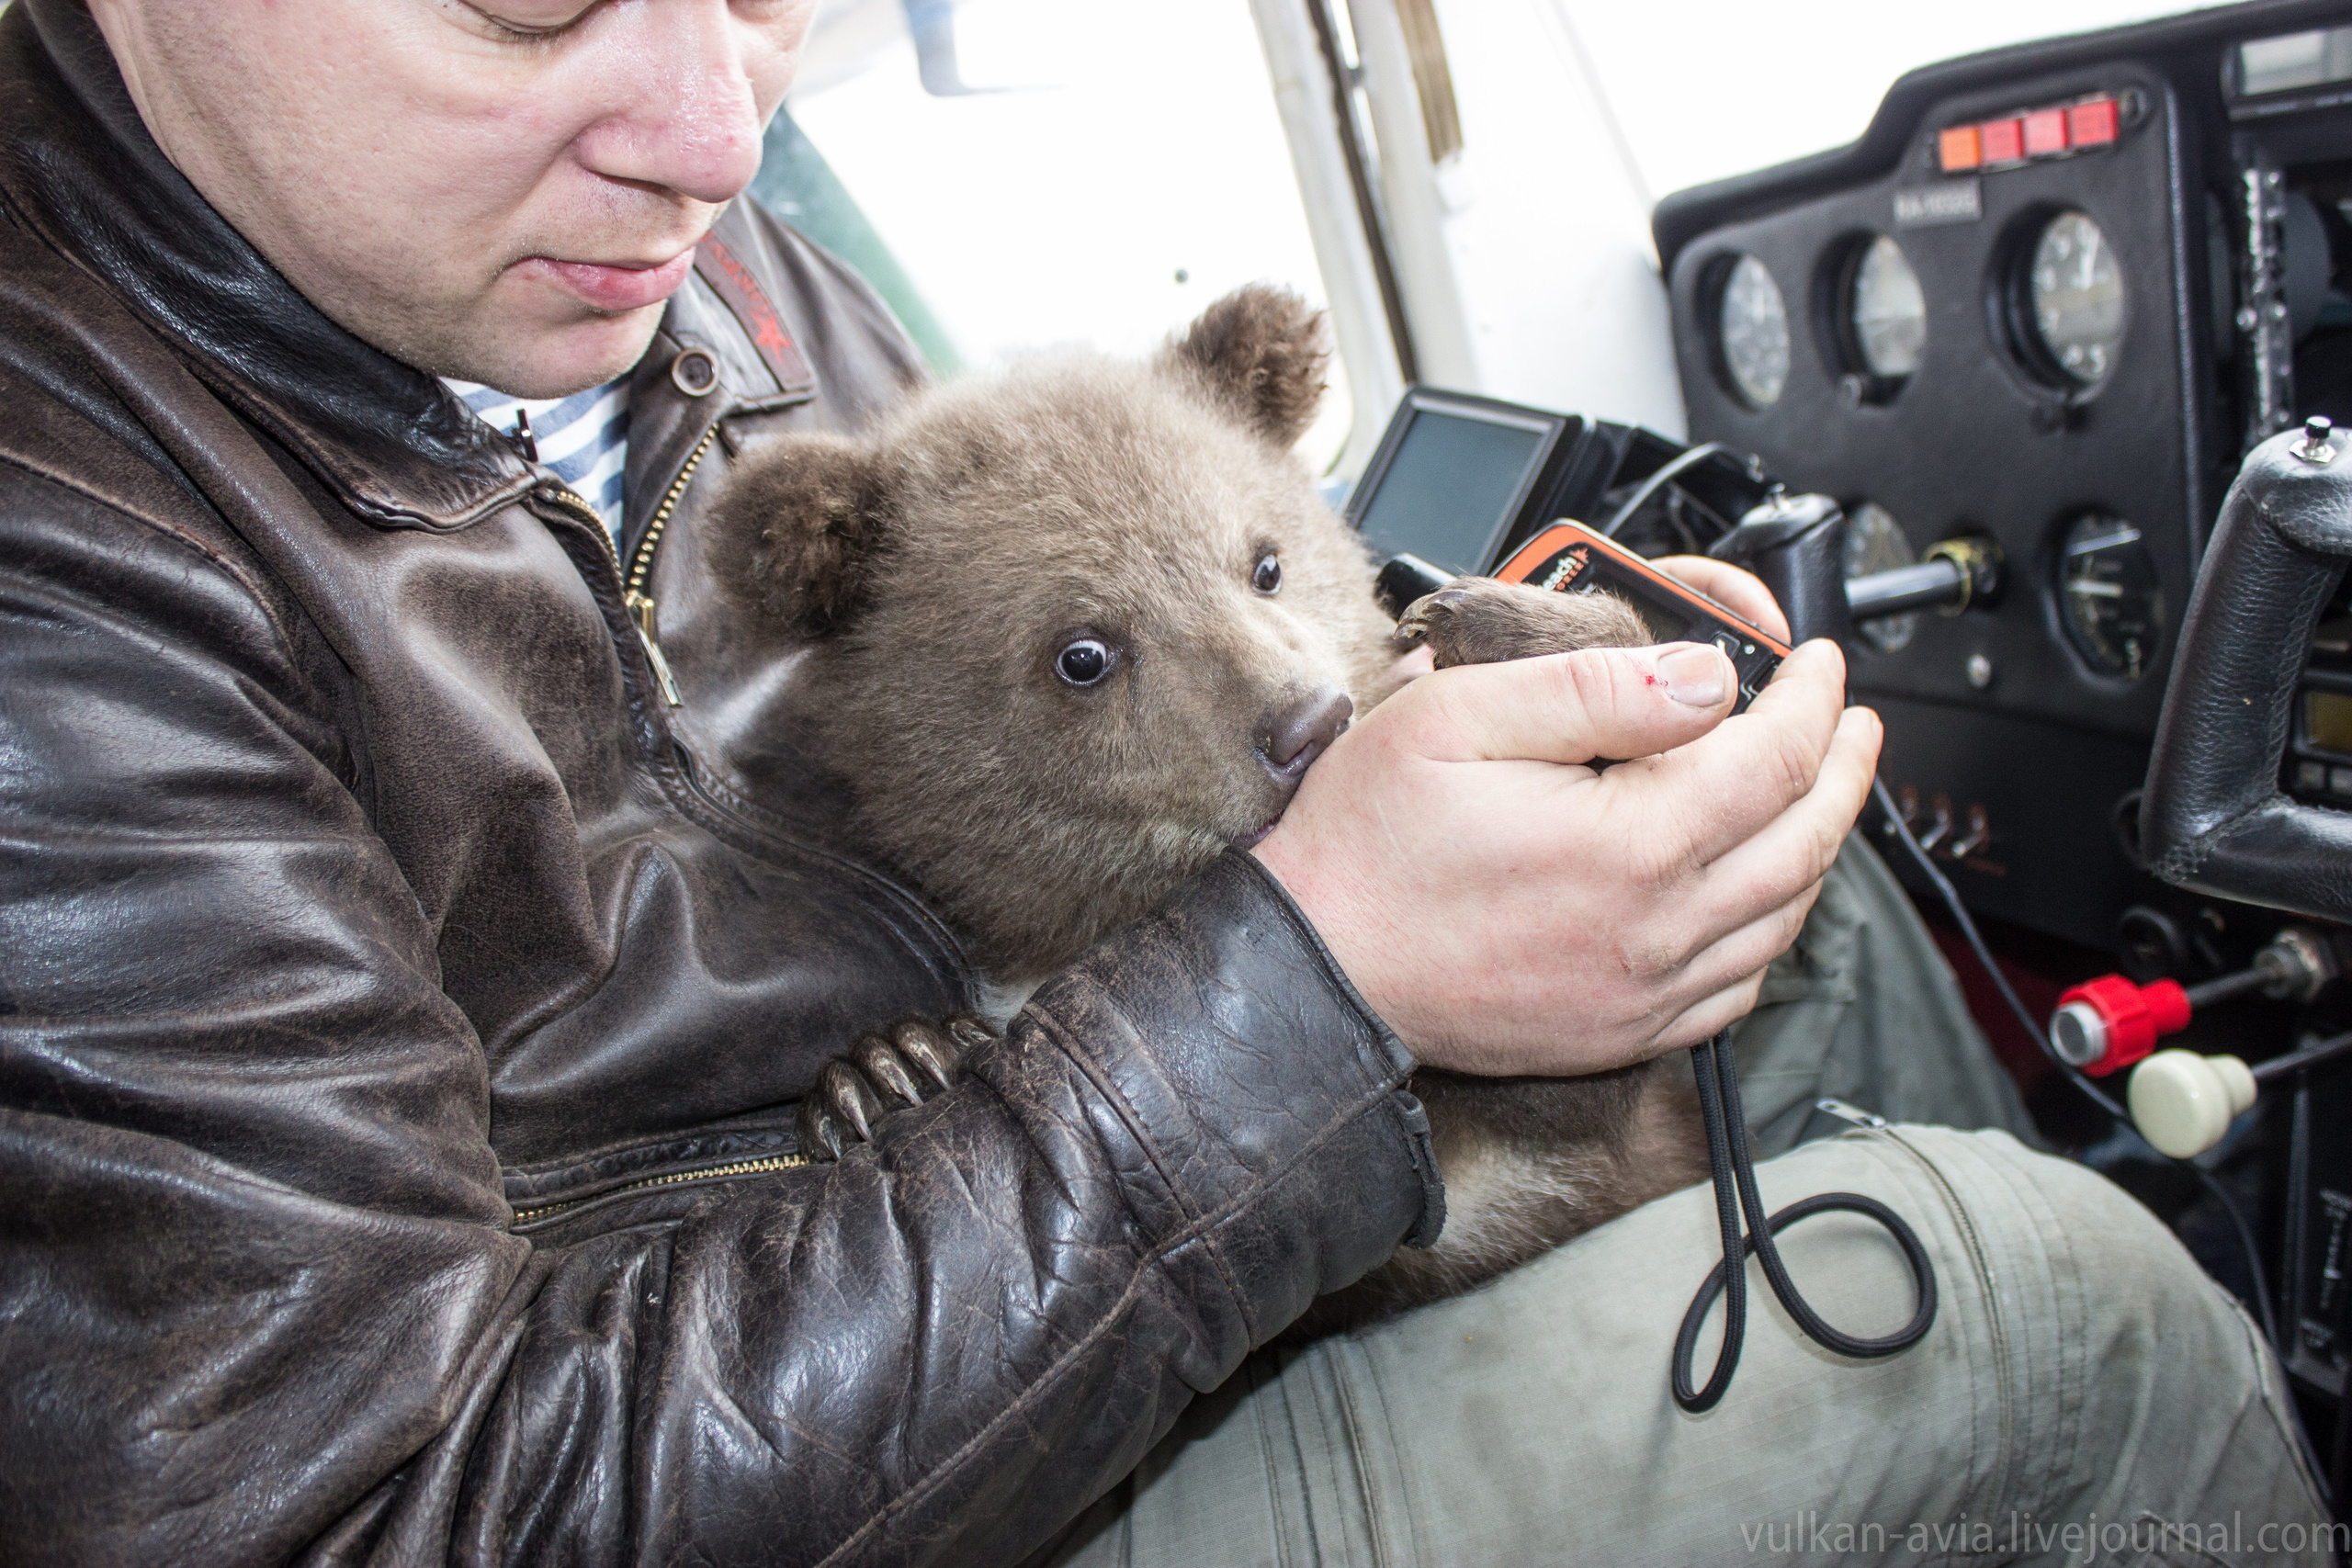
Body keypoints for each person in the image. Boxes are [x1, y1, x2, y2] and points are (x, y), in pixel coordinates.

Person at [0, 1, 2323, 1563]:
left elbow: (1100, 600)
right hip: (801, 1445)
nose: (710, 132)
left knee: (1818, 932)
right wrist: (1312, 984)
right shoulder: (67, 550)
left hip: (998, 1132)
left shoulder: (697, 263)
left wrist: (1483, 665)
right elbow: (381, 1508)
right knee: (2047, 1306)